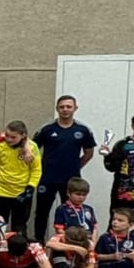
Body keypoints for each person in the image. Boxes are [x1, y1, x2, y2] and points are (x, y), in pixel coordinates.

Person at [33, 96, 97, 240]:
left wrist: (75, 167)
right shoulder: (47, 129)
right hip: (47, 178)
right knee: (42, 212)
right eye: (62, 107)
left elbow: (89, 153)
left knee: (70, 212)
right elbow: (33, 150)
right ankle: (39, 242)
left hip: (71, 180)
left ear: (75, 108)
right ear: (57, 108)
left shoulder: (83, 129)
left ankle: (70, 242)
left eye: (69, 106)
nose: (65, 110)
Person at [0, 120, 42, 233]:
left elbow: (36, 170)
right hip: (1, 191)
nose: (9, 139)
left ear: (23, 135)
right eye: (7, 135)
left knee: (19, 226)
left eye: (13, 137)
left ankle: (18, 243)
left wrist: (31, 187)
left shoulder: (32, 148)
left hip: (21, 192)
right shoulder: (0, 146)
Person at [52, 177, 99, 243]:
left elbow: (94, 229)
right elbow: (59, 230)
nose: (81, 197)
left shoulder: (89, 209)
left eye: (84, 195)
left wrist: (94, 244)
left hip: (87, 241)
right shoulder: (62, 209)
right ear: (68, 193)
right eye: (78, 194)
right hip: (69, 241)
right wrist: (73, 240)